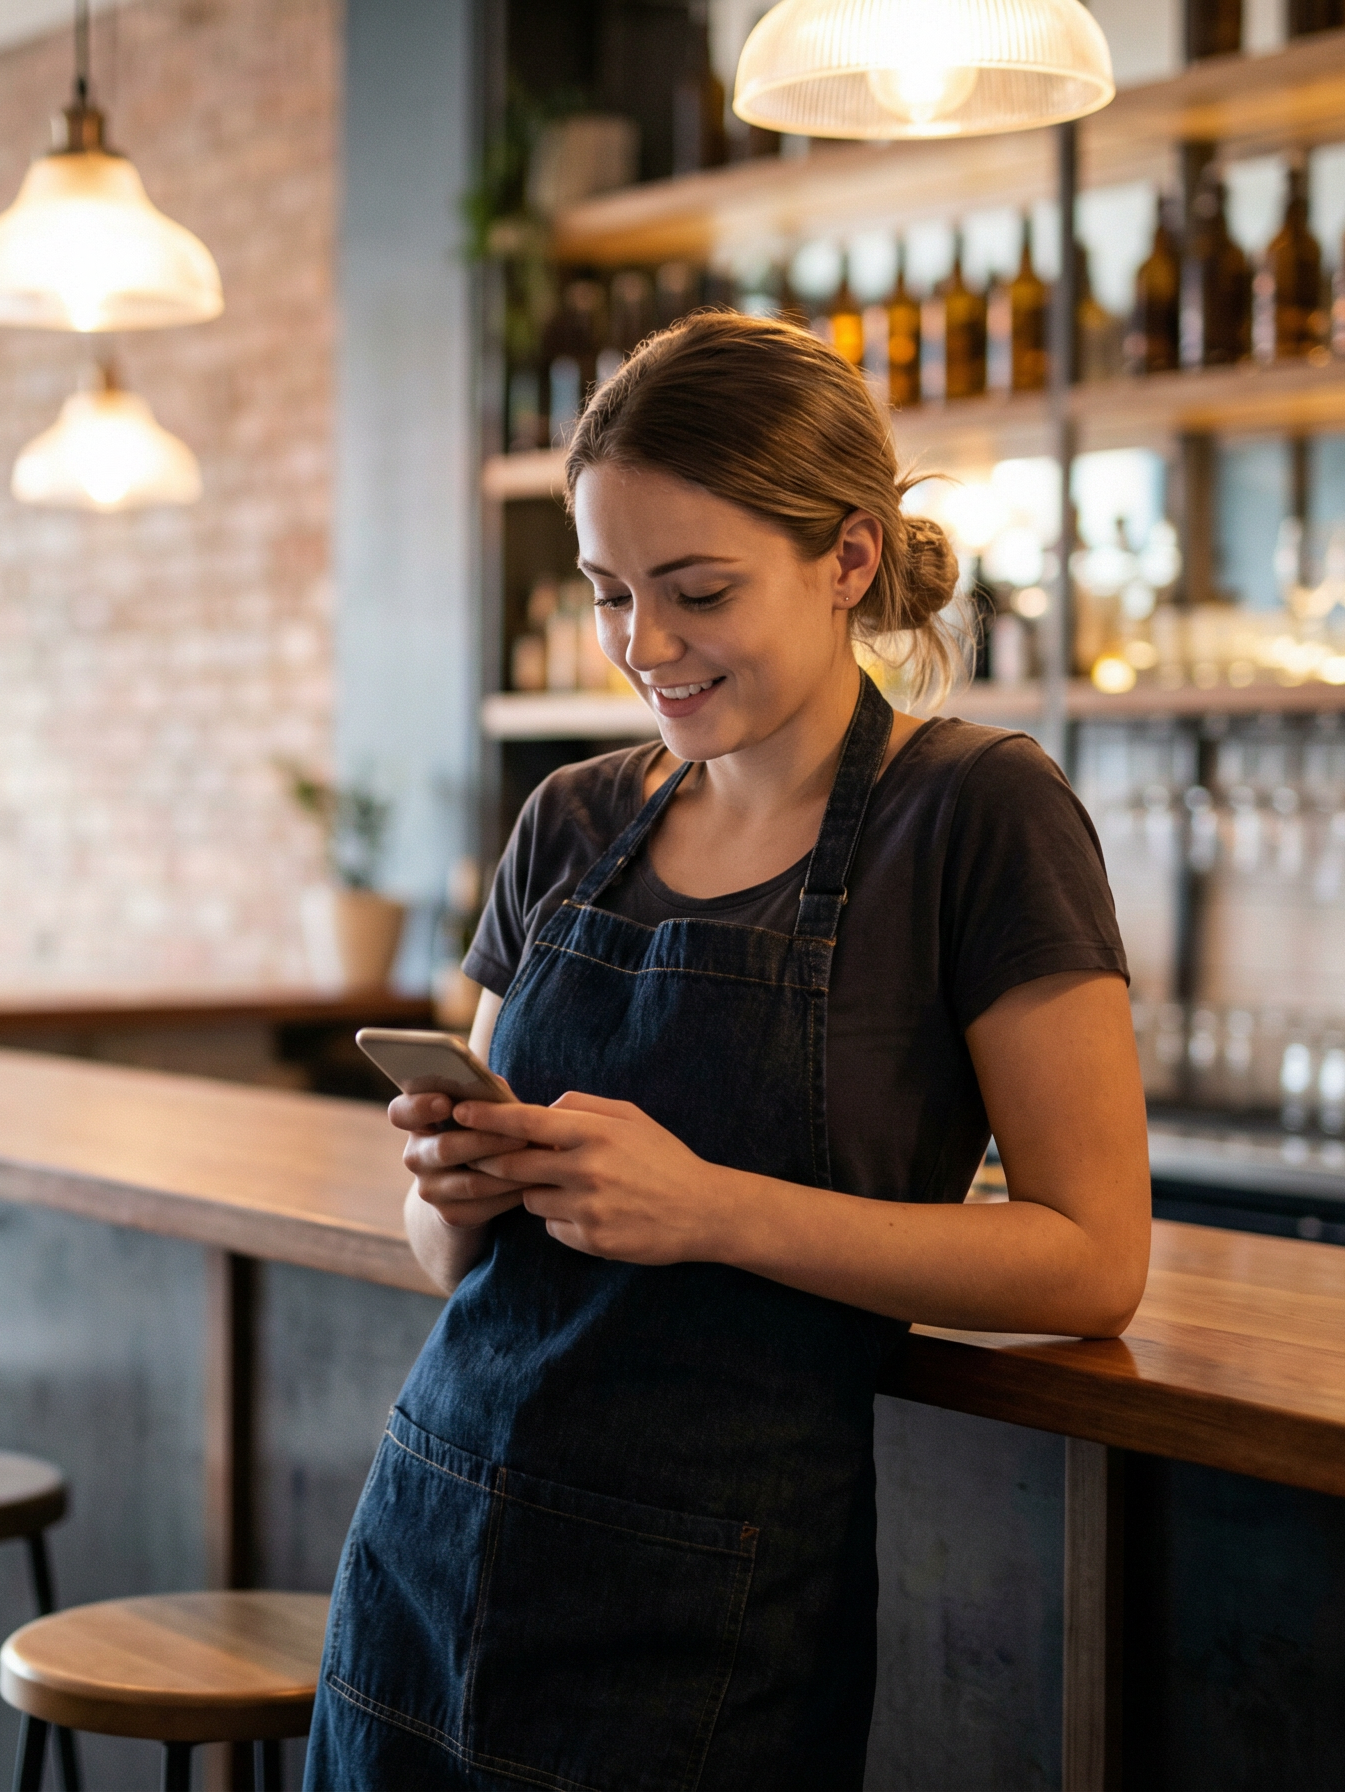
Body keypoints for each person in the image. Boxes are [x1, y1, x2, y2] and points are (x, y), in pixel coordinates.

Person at [306, 312, 1148, 1790]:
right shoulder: (569, 820)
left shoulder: (976, 816)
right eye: (610, 592)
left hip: (708, 1609)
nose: (644, 647)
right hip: (428, 1546)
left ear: (850, 560)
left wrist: (713, 1212)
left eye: (697, 591)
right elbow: (453, 1271)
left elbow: (1092, 1259)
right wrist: (454, 1181)